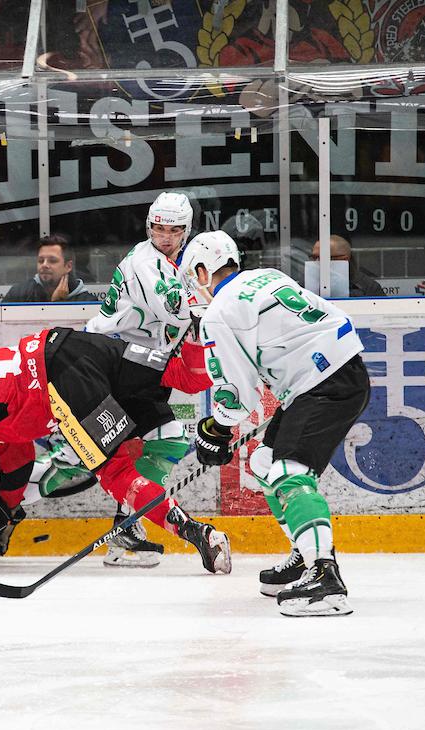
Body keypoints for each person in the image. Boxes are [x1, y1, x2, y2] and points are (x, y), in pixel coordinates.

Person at [0, 327, 229, 575]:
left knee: (116, 473)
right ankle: (201, 325)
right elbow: (17, 458)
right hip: (74, 344)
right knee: (183, 375)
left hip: (56, 380)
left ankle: (196, 532)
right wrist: (5, 511)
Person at [180, 230, 369, 617]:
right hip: (336, 372)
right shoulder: (268, 276)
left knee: (288, 469)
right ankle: (305, 555)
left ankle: (325, 576)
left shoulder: (219, 313)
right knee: (264, 462)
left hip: (321, 383)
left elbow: (237, 395)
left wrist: (215, 429)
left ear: (203, 271)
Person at [70, 191, 213, 568]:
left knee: (162, 441)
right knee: (76, 457)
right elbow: (178, 310)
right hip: (110, 364)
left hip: (138, 365)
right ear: (149, 226)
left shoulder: (171, 261)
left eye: (174, 229)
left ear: (186, 230)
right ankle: (6, 510)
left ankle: (126, 530)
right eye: (159, 228)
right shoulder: (147, 263)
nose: (165, 236)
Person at [2, 234, 95, 303]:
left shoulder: (87, 301)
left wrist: (60, 304)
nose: (44, 265)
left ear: (68, 266)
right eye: (41, 260)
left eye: (52, 261)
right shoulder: (18, 293)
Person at [310, 235, 385, 297]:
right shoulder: (305, 285)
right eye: (314, 258)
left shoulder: (368, 288)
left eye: (323, 259)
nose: (316, 263)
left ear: (343, 259)